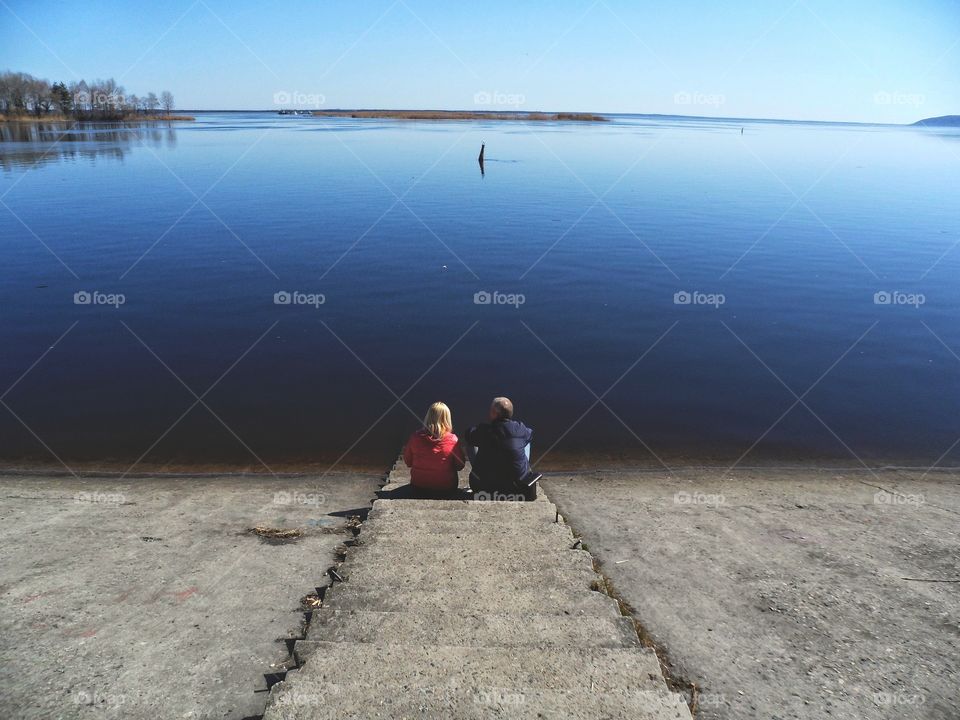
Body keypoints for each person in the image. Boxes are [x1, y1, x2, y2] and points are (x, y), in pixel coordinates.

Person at [466, 396, 538, 500]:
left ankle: (478, 473)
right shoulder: (520, 428)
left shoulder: (484, 431)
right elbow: (531, 433)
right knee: (525, 441)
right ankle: (524, 473)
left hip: (484, 488)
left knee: (471, 443)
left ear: (494, 413)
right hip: (517, 488)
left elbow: (468, 434)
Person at [402, 402, 465, 494]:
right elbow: (460, 466)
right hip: (446, 489)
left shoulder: (415, 437)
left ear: (428, 417)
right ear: (447, 418)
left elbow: (408, 462)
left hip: (418, 487)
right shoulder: (453, 440)